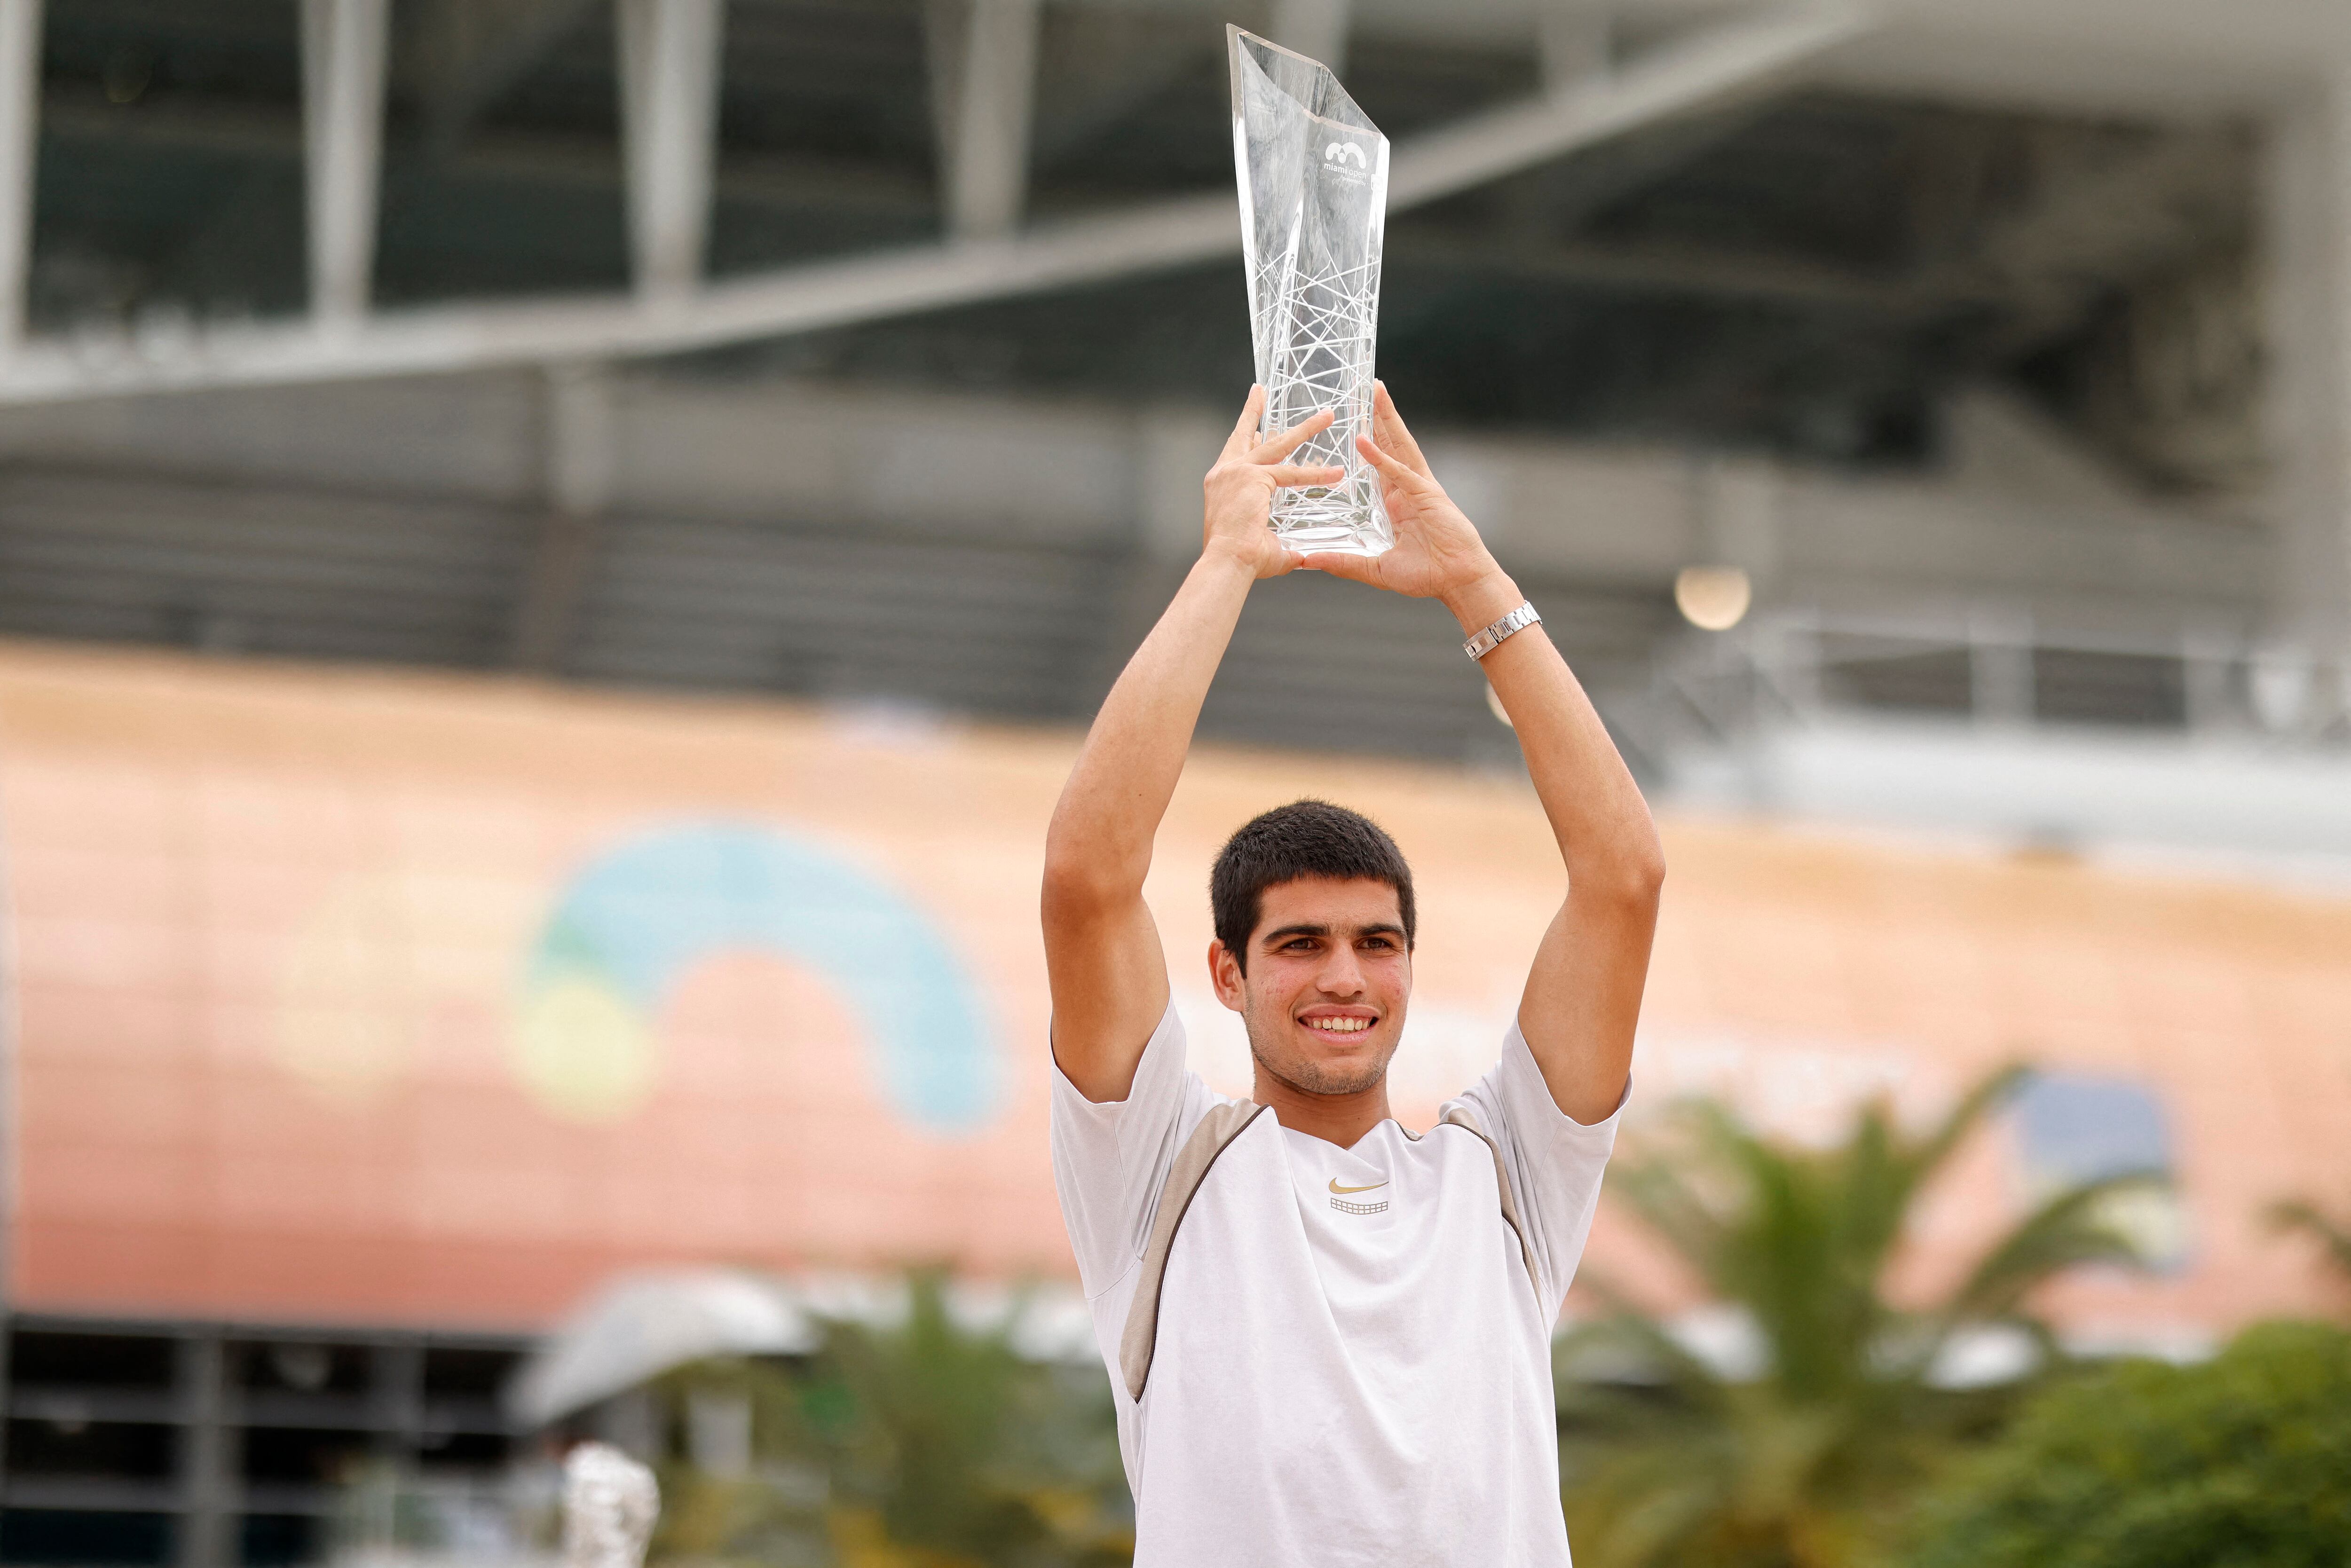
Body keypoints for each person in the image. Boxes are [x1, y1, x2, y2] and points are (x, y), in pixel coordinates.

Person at [1041, 381, 1665, 1567]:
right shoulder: (1155, 1164)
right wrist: (1227, 558)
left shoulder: (1503, 1173)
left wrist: (1475, 584)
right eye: (1299, 944)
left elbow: (1622, 880)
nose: (1344, 977)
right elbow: (1087, 878)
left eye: (1376, 944)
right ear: (1225, 974)